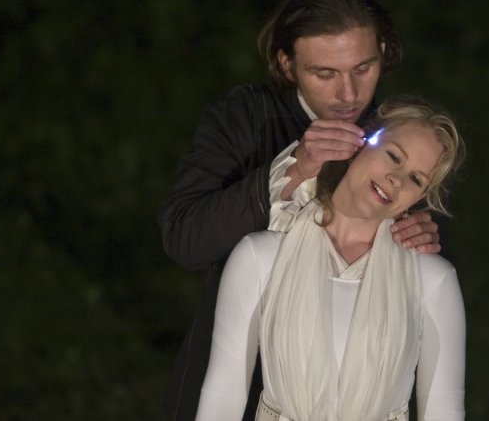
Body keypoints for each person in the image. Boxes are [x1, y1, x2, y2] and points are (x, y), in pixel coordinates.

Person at [159, 0, 444, 421]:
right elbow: (184, 240)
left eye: (363, 68)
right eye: (325, 74)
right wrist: (293, 170)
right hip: (237, 389)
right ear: (287, 64)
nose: (348, 94)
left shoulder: (400, 138)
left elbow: (425, 298)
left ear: (383, 51)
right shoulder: (244, 118)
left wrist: (423, 236)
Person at [196, 97, 466, 421]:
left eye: (416, 179)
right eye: (394, 156)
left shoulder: (432, 279)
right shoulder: (260, 257)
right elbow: (223, 394)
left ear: (420, 197)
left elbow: (444, 410)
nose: (397, 179)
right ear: (362, 143)